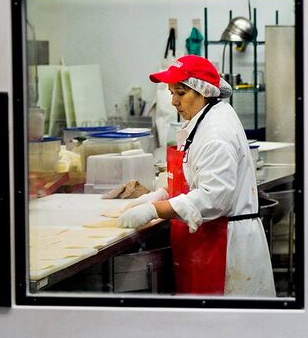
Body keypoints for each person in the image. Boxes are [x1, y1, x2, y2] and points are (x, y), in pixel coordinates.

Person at [114, 55, 276, 297]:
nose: (173, 101)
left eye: (181, 93)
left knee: (227, 327)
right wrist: (162, 194)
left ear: (204, 93)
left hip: (226, 248)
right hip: (209, 242)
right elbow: (197, 177)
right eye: (171, 92)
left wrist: (155, 209)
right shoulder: (204, 120)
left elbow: (215, 197)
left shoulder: (216, 132)